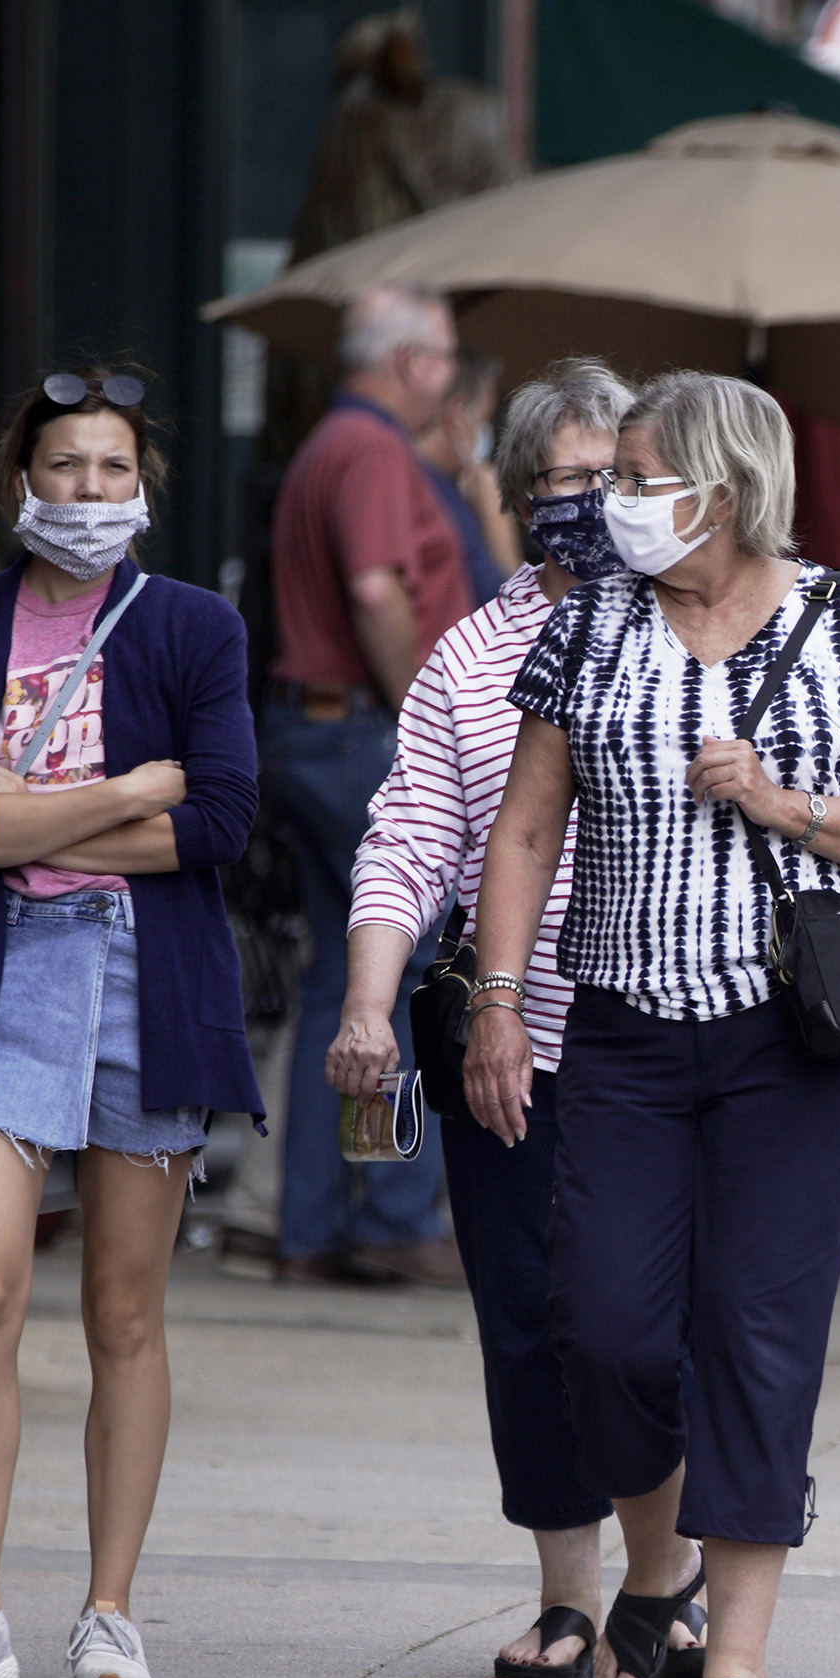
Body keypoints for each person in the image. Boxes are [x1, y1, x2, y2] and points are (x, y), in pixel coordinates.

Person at [471, 371, 840, 1678]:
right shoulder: (592, 628)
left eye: (638, 477)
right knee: (606, 1330)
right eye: (611, 476)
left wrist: (787, 802)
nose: (611, 503)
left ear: (723, 489)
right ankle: (658, 1573)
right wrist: (501, 999)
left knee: (757, 1335)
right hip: (621, 1031)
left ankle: (735, 1660)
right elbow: (522, 831)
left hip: (783, 1045)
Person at [325, 358, 700, 1678]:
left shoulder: (698, 632)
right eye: (567, 485)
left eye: (622, 481)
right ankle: (567, 1595)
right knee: (533, 1325)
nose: (595, 508)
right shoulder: (471, 660)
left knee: (647, 1325)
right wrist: (371, 998)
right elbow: (413, 837)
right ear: (510, 496)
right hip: (509, 1048)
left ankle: (677, 1576)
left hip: (669, 1035)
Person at [0, 369, 262, 1678]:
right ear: (21, 484)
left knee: (122, 1308)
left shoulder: (195, 629)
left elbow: (220, 820)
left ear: (144, 487)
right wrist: (122, 794)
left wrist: (26, 810)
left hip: (145, 985)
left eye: (113, 470)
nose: (89, 493)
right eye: (65, 469)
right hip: (6, 979)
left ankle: (110, 1611)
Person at [254, 282, 474, 1286]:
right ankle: (387, 1208)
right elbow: (378, 589)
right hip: (358, 735)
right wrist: (428, 711)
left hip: (317, 727)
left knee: (339, 982)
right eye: (445, 360)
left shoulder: (329, 445)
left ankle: (311, 1223)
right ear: (408, 364)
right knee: (408, 964)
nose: (452, 379)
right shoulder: (374, 449)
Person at [419, 349, 520, 607]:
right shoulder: (429, 493)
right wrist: (495, 510)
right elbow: (507, 606)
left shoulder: (443, 485)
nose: (484, 433)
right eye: (484, 418)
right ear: (456, 416)